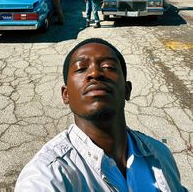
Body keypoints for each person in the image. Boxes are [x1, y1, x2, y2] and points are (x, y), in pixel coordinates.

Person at [15, 38, 187, 192]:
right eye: (81, 68)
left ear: (126, 90)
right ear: (66, 95)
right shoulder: (47, 174)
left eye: (108, 67)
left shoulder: (160, 154)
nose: (95, 73)